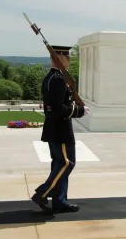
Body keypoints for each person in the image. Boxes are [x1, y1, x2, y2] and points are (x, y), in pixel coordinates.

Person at [31, 45, 89, 214]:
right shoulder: (58, 79)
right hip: (60, 129)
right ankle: (42, 193)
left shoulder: (51, 77)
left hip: (54, 128)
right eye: (67, 58)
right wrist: (79, 111)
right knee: (66, 163)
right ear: (60, 59)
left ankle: (60, 201)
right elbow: (58, 109)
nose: (69, 61)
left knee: (59, 163)